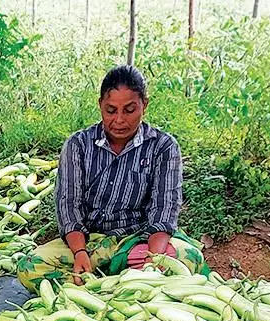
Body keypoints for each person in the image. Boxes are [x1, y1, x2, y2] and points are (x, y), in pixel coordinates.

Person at [51, 64, 205, 285]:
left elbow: (164, 209)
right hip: (90, 242)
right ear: (100, 106)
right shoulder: (79, 145)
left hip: (140, 242)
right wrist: (79, 252)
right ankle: (120, 280)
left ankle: (116, 280)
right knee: (31, 267)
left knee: (188, 259)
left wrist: (154, 261)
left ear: (145, 105)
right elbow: (68, 204)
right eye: (111, 110)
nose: (120, 120)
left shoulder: (163, 147)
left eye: (130, 110)